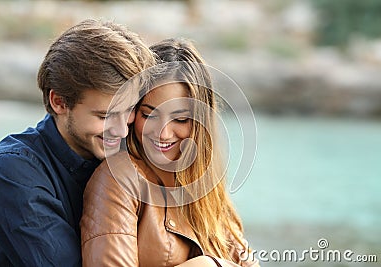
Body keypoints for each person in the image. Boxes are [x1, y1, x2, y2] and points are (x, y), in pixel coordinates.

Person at [0, 19, 155, 266]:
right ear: (59, 102)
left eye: (129, 110)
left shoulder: (127, 155)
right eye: (104, 116)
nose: (121, 131)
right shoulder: (10, 173)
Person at [81, 38, 259, 267]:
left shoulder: (210, 195)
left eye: (181, 119)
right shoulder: (120, 178)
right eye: (149, 115)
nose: (163, 134)